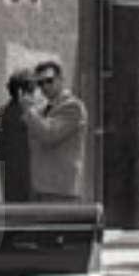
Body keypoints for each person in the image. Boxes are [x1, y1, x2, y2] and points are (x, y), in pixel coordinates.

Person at [24, 57, 89, 202]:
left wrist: (30, 112)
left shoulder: (73, 107)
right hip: (41, 186)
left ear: (61, 79)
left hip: (61, 189)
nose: (44, 87)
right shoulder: (41, 109)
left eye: (49, 80)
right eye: (40, 83)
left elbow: (50, 135)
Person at [0, 71, 37, 204]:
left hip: (7, 176)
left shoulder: (1, 113)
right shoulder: (24, 116)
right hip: (24, 177)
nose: (34, 96)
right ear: (20, 93)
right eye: (31, 92)